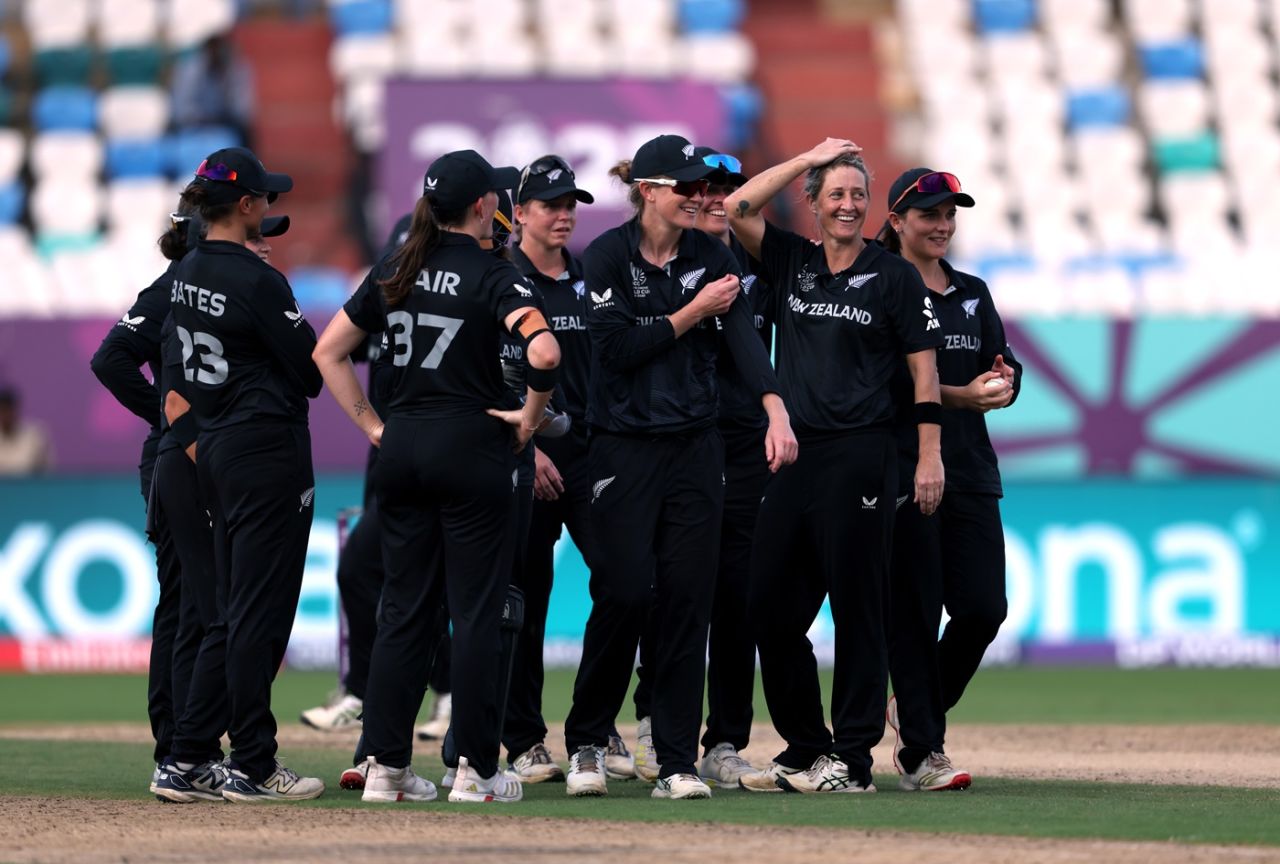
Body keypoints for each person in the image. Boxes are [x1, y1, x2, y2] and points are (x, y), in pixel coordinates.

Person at [312, 149, 560, 805]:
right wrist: (530, 418)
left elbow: (328, 352)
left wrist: (373, 426)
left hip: (401, 449)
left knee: (402, 611)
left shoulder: (396, 267)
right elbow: (544, 351)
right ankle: (476, 771)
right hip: (471, 449)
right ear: (483, 205)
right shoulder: (494, 273)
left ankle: (385, 767)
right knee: (475, 614)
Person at [562, 134, 797, 801]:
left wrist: (774, 406)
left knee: (688, 603)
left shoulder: (711, 254)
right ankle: (586, 738)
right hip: (623, 447)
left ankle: (675, 761)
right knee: (626, 594)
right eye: (687, 186)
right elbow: (615, 349)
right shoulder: (607, 255)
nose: (700, 196)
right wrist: (694, 312)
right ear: (648, 192)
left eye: (703, 187)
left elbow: (743, 336)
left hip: (697, 447)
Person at [725, 138, 945, 794]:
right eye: (836, 194)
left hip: (862, 455)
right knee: (767, 607)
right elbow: (738, 207)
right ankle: (806, 747)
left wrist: (929, 455)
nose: (849, 205)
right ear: (814, 204)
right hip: (796, 456)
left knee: (858, 611)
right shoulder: (791, 259)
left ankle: (852, 760)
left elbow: (924, 373)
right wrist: (808, 159)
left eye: (858, 194)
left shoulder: (893, 275)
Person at [165, 147, 325, 803]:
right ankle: (253, 762)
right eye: (267, 197)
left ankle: (186, 756)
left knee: (231, 614)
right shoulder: (259, 281)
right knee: (256, 615)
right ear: (248, 204)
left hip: (217, 447)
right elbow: (312, 371)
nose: (271, 205)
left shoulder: (186, 269)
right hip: (265, 449)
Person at [877, 168, 1021, 792]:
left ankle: (916, 709)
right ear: (897, 221)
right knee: (915, 612)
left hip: (971, 469)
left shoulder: (971, 291)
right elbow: (886, 382)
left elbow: (1001, 360)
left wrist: (1006, 382)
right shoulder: (879, 287)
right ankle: (922, 752)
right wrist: (961, 396)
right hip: (905, 468)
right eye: (929, 215)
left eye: (949, 215)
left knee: (984, 609)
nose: (942, 225)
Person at [499, 154, 641, 784]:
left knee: (627, 586)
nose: (563, 215)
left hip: (593, 456)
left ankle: (594, 724)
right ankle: (524, 739)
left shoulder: (591, 276)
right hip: (522, 455)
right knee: (524, 601)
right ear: (520, 212)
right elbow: (491, 377)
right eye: (550, 205)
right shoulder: (502, 280)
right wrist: (530, 448)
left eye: (569, 204)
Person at [149, 209, 291, 803]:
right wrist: (196, 449)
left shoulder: (218, 296)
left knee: (211, 615)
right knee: (220, 617)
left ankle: (190, 755)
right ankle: (193, 754)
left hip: (206, 462)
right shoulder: (190, 295)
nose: (265, 247)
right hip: (204, 466)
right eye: (256, 237)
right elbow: (162, 395)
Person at [89, 208, 197, 787]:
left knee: (199, 603)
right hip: (176, 456)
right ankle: (176, 749)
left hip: (195, 453)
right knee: (184, 603)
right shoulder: (170, 289)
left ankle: (191, 745)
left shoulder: (202, 285)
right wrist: (165, 415)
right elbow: (110, 358)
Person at [170, 33, 254, 147]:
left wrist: (227, 86)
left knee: (245, 134)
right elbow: (181, 110)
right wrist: (201, 119)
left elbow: (243, 110)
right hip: (193, 125)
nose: (218, 55)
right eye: (214, 51)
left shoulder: (237, 69)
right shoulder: (190, 70)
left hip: (224, 123)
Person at [0, 387, 52, 474]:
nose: (5, 415)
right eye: (2, 411)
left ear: (15, 410)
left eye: (8, 410)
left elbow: (47, 471)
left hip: (31, 482)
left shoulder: (35, 436)